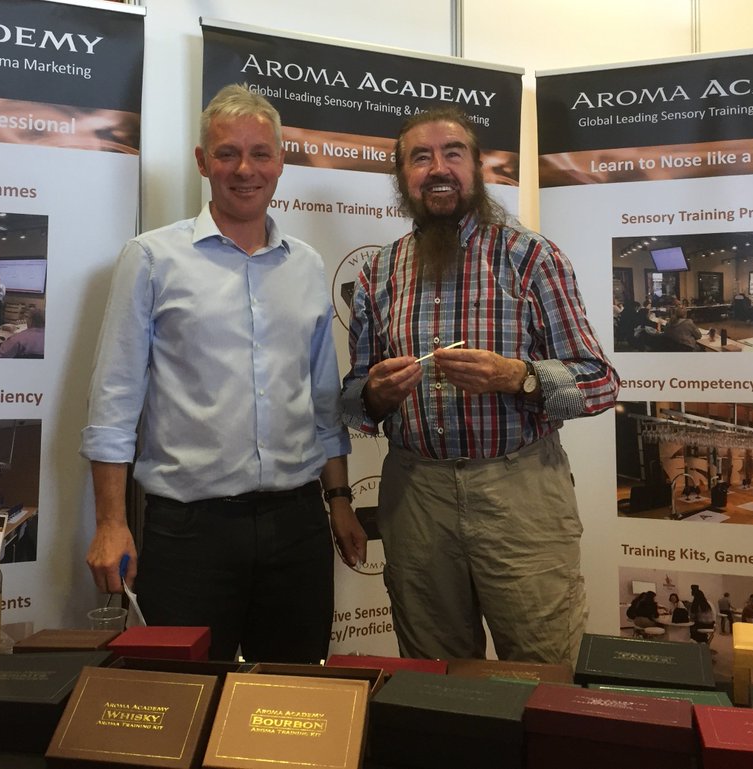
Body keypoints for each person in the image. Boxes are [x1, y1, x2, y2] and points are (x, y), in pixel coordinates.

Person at [81, 84, 367, 663]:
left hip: (297, 524)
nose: (245, 169)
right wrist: (111, 523)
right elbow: (115, 400)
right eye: (228, 153)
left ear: (281, 161)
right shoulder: (153, 258)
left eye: (261, 153)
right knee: (184, 699)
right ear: (202, 161)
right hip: (190, 533)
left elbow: (321, 399)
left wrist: (338, 500)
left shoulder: (307, 266)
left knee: (291, 699)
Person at [340, 106, 618, 663]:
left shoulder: (531, 257)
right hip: (415, 495)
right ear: (402, 177)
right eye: (420, 157)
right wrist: (375, 394)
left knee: (543, 668)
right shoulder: (379, 272)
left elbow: (601, 382)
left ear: (477, 167)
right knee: (434, 674)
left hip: (520, 495)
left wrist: (520, 377)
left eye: (452, 153)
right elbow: (353, 397)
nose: (437, 168)